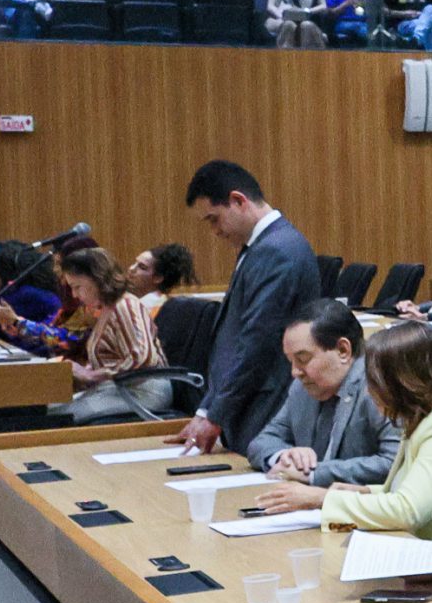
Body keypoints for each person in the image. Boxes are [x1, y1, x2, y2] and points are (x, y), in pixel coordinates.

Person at [256, 320, 432, 542]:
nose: (369, 389)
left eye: (374, 380)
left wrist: (321, 498)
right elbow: (413, 490)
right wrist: (368, 492)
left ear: (402, 382)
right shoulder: (426, 417)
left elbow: (409, 510)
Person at [172, 161, 322, 455]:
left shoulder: (278, 250)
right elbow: (232, 338)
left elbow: (257, 341)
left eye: (214, 219)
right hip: (249, 402)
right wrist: (206, 411)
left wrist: (216, 414)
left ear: (238, 200)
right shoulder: (260, 246)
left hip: (266, 404)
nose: (214, 231)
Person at [0, 246, 169, 422]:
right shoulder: (101, 309)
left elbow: (143, 358)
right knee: (43, 407)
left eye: (77, 287)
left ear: (97, 280)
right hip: (118, 388)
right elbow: (67, 336)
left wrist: (93, 375)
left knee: (56, 417)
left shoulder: (126, 306)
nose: (74, 295)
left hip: (144, 392)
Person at [247, 301, 403, 489]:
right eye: (291, 361)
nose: (295, 372)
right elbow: (261, 442)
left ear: (343, 350)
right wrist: (286, 457)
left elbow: (394, 462)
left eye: (303, 359)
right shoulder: (301, 388)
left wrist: (314, 473)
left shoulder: (379, 386)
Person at [127, 243, 197, 312]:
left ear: (158, 278)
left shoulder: (157, 309)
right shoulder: (129, 301)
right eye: (134, 263)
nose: (131, 268)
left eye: (142, 267)